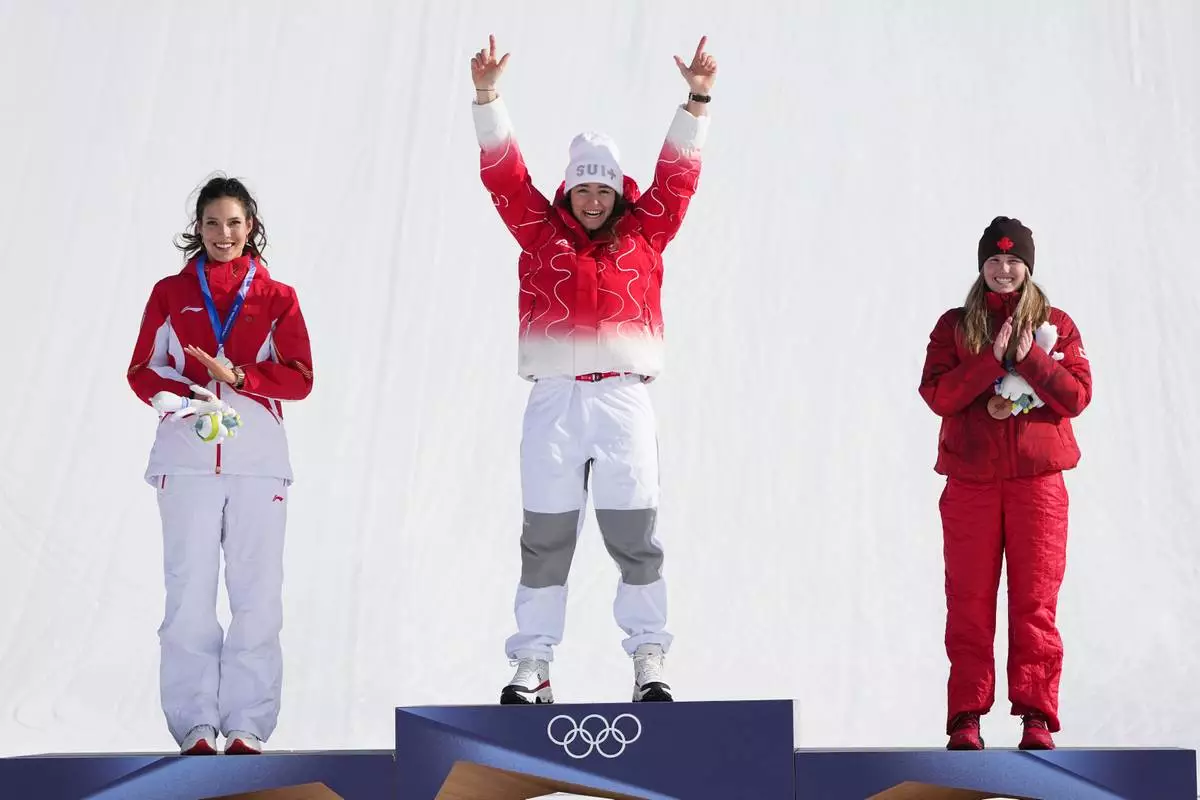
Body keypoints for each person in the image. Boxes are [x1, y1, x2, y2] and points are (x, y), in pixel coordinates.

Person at [468, 34, 716, 704]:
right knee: (545, 537)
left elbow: (678, 177)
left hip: (622, 400)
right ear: (570, 187)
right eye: (584, 187)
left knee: (634, 536)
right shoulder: (539, 230)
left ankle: (649, 656)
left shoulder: (645, 232)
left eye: (604, 188)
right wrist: (489, 100)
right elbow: (504, 177)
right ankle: (535, 662)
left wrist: (695, 100)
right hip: (553, 401)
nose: (594, 200)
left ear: (616, 190)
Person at [126, 176, 314, 755]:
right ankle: (195, 727)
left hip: (258, 464)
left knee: (257, 596)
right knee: (188, 596)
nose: (223, 234)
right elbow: (143, 369)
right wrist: (181, 396)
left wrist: (240, 378)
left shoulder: (277, 297)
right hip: (185, 461)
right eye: (212, 224)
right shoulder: (169, 293)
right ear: (198, 229)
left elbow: (301, 378)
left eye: (234, 223)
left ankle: (248, 726)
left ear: (250, 226)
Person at [919, 216, 1092, 751]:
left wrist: (1028, 357)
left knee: (1035, 603)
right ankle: (966, 716)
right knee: (968, 600)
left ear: (1029, 265)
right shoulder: (954, 326)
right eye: (993, 261)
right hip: (971, 483)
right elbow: (938, 396)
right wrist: (989, 360)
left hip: (1038, 486)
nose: (1003, 269)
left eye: (1013, 260)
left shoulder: (1055, 323)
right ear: (981, 266)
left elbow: (1077, 396)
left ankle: (1035, 717)